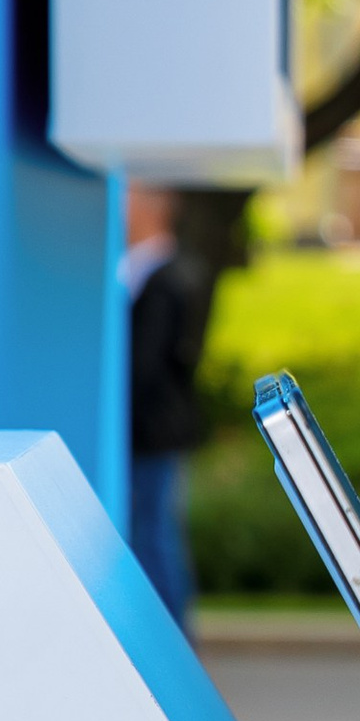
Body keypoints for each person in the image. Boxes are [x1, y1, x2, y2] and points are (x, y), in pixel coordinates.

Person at [120, 182, 212, 633]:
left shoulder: (164, 277)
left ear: (153, 207)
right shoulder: (170, 270)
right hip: (159, 429)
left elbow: (144, 364)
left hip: (150, 431)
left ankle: (173, 641)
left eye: (130, 196)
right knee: (155, 533)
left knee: (154, 537)